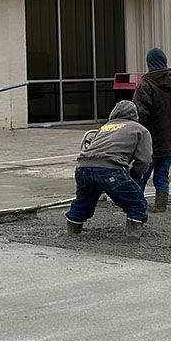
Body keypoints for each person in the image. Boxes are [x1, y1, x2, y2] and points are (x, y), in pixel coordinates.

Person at [66, 100, 153, 239]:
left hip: (83, 167)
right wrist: (135, 175)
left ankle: (73, 232)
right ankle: (132, 237)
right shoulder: (139, 129)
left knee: (84, 200)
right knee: (136, 202)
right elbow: (145, 159)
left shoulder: (105, 127)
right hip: (110, 169)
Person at [133, 47, 171, 212]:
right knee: (162, 173)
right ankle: (161, 206)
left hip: (150, 142)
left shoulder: (146, 85)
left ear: (149, 63)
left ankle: (136, 208)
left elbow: (139, 116)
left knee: (140, 176)